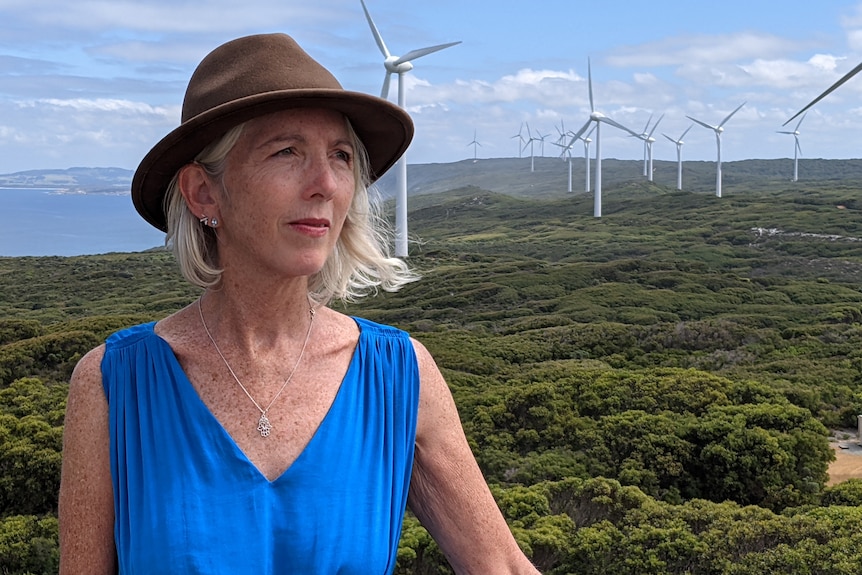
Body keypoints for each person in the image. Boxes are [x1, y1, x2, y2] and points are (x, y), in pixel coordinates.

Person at [58, 32, 541, 574]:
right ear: (203, 193)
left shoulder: (400, 375)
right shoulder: (112, 383)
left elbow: (501, 566)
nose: (325, 183)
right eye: (286, 151)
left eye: (340, 156)